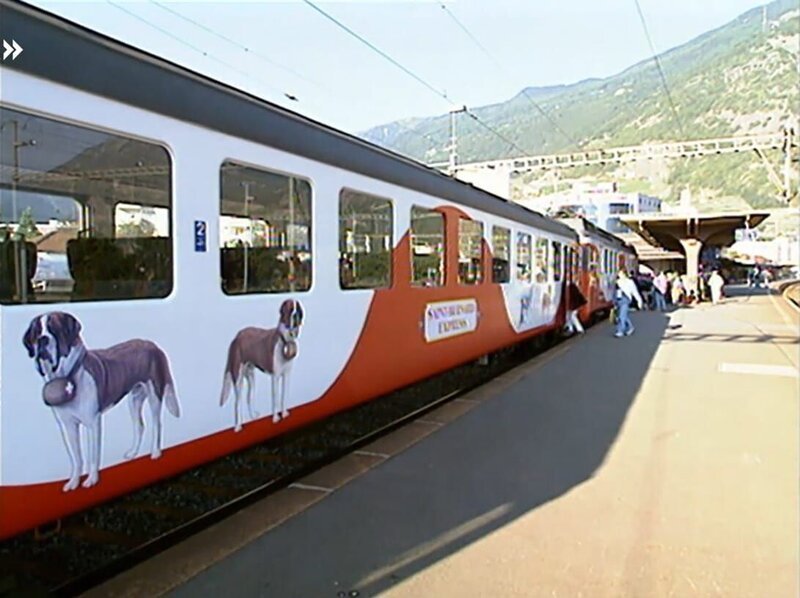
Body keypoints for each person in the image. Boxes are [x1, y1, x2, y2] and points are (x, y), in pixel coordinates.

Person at [613, 270, 644, 338]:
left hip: (626, 299)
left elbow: (634, 291)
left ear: (624, 274)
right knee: (623, 316)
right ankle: (630, 327)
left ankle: (620, 331)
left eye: (620, 274)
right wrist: (614, 301)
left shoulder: (629, 282)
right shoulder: (617, 282)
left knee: (621, 316)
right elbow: (615, 292)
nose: (619, 275)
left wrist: (639, 301)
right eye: (619, 274)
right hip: (619, 299)